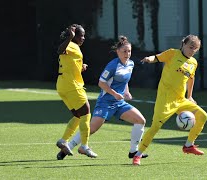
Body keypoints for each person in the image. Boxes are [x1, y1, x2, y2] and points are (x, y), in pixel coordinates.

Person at [57, 36, 148, 160]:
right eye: (124, 51)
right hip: (105, 103)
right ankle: (67, 148)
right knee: (92, 129)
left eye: (129, 51)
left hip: (119, 103)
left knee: (141, 120)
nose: (127, 54)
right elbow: (101, 83)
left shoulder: (130, 64)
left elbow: (125, 80)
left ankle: (133, 152)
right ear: (118, 51)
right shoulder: (112, 65)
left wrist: (126, 92)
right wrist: (115, 94)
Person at [132, 35, 207, 165]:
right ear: (183, 44)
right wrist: (149, 59)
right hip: (165, 99)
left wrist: (189, 96)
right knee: (155, 127)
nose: (192, 51)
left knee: (202, 116)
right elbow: (156, 57)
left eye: (195, 49)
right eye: (191, 47)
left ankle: (189, 145)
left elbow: (191, 78)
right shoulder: (173, 53)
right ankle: (138, 155)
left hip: (180, 99)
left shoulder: (193, 62)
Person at [55, 24, 97, 158]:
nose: (83, 38)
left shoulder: (73, 47)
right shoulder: (72, 45)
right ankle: (84, 146)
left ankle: (63, 140)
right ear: (74, 36)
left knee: (78, 115)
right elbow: (60, 50)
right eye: (81, 35)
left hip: (63, 84)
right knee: (86, 112)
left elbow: (68, 64)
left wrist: (80, 67)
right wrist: (70, 38)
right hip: (72, 85)